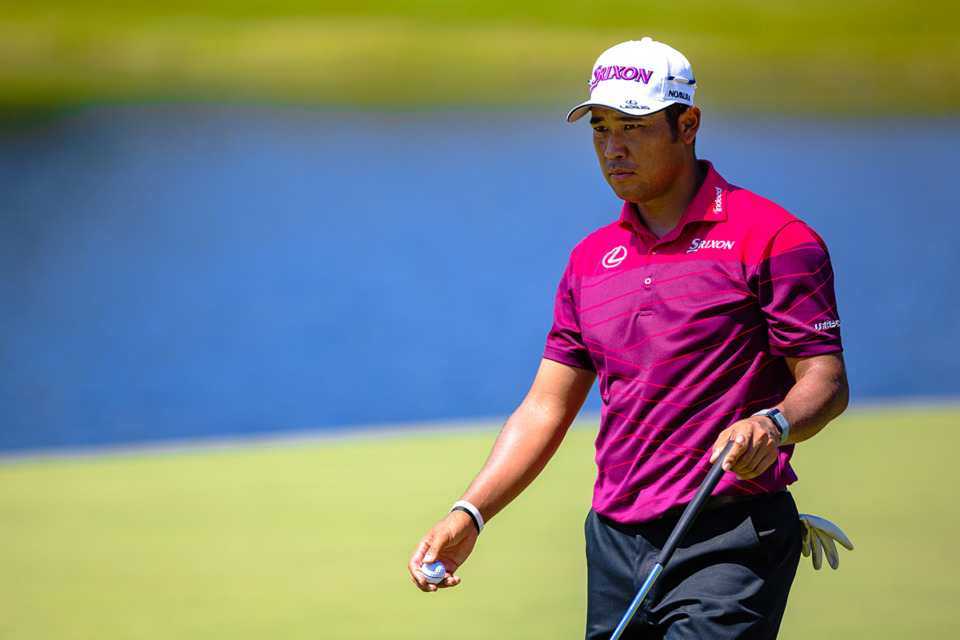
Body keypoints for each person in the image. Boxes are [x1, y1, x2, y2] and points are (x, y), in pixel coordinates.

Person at [407, 37, 850, 639]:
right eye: (600, 128)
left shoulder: (773, 238)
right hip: (614, 541)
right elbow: (547, 405)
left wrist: (772, 425)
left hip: (728, 537)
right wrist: (471, 512)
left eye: (634, 127)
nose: (612, 148)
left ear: (687, 123)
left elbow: (824, 378)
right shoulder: (591, 261)